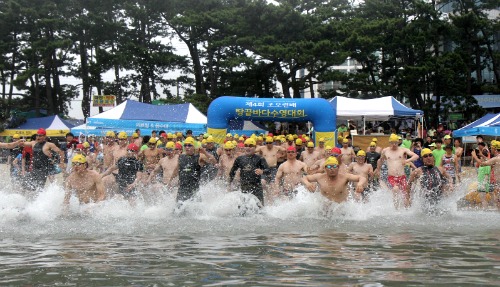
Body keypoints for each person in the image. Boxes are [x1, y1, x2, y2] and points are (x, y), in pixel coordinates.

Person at [376, 134, 419, 208]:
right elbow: (380, 160)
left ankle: (407, 209)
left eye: (395, 143)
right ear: (389, 143)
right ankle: (396, 209)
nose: (394, 144)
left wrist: (407, 160)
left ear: (398, 142)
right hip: (391, 177)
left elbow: (416, 156)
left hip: (402, 177)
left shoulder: (403, 150)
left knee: (406, 195)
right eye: (392, 143)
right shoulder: (385, 151)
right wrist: (378, 169)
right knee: (395, 189)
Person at [302, 156, 367, 203]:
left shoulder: (344, 177)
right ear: (325, 168)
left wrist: (360, 184)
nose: (332, 169)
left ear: (338, 167)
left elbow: (362, 178)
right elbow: (304, 177)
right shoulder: (320, 177)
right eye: (329, 166)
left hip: (341, 210)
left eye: (334, 166)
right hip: (325, 211)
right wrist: (307, 183)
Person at [228, 138, 269, 206]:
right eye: (246, 145)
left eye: (250, 146)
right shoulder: (239, 159)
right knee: (243, 210)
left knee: (260, 209)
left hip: (257, 187)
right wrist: (229, 184)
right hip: (244, 187)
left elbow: (268, 171)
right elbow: (232, 172)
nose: (248, 148)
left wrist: (262, 171)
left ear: (255, 147)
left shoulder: (260, 158)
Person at [175, 137, 216, 202]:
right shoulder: (181, 157)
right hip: (182, 189)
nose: (187, 147)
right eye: (185, 145)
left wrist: (204, 152)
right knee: (177, 210)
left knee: (195, 210)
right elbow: (176, 169)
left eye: (189, 145)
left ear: (194, 147)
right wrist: (170, 181)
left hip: (194, 189)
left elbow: (213, 161)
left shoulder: (199, 156)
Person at [480, 140, 500, 210]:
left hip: (498, 183)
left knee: (498, 201)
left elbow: (483, 164)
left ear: (495, 149)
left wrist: (475, 156)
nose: (490, 150)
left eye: (491, 148)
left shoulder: (496, 158)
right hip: (497, 183)